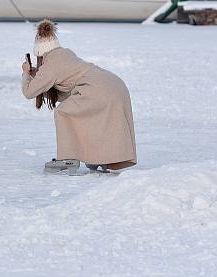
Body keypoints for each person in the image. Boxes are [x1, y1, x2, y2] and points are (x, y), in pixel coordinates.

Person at [21, 20, 137, 174]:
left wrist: (26, 73)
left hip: (97, 88)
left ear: (39, 52)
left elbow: (29, 92)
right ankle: (102, 158)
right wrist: (39, 75)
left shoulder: (50, 64)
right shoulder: (65, 54)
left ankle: (68, 158)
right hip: (113, 84)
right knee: (99, 120)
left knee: (63, 113)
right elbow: (66, 89)